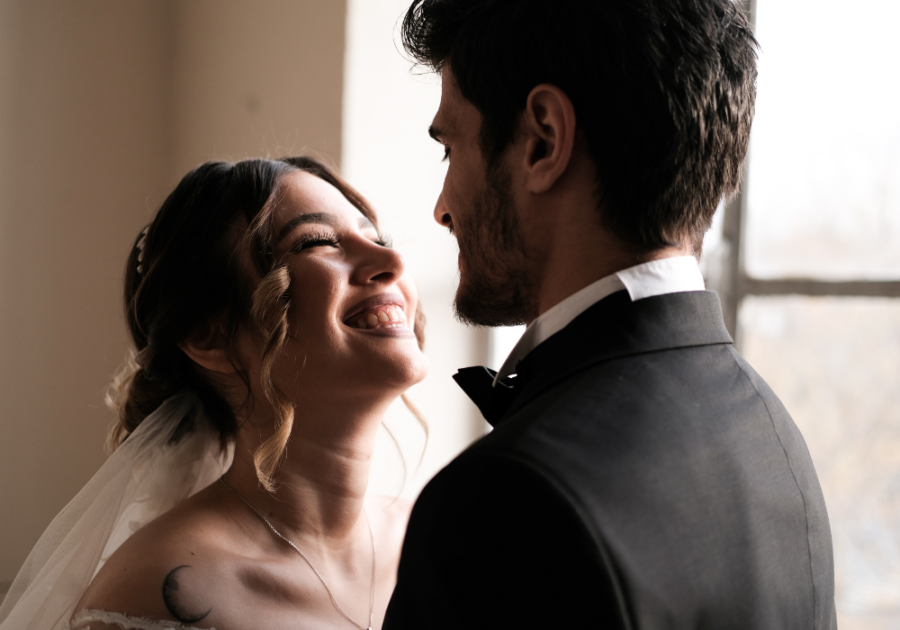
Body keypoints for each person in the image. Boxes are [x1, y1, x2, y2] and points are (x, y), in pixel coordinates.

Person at [384, 1, 837, 629]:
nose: (442, 208)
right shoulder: (772, 435)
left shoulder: (503, 505)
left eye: (450, 149)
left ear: (543, 139)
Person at [0, 156, 429, 630]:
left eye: (378, 239)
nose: (392, 261)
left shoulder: (444, 536)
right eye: (317, 242)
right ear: (211, 336)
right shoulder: (152, 597)